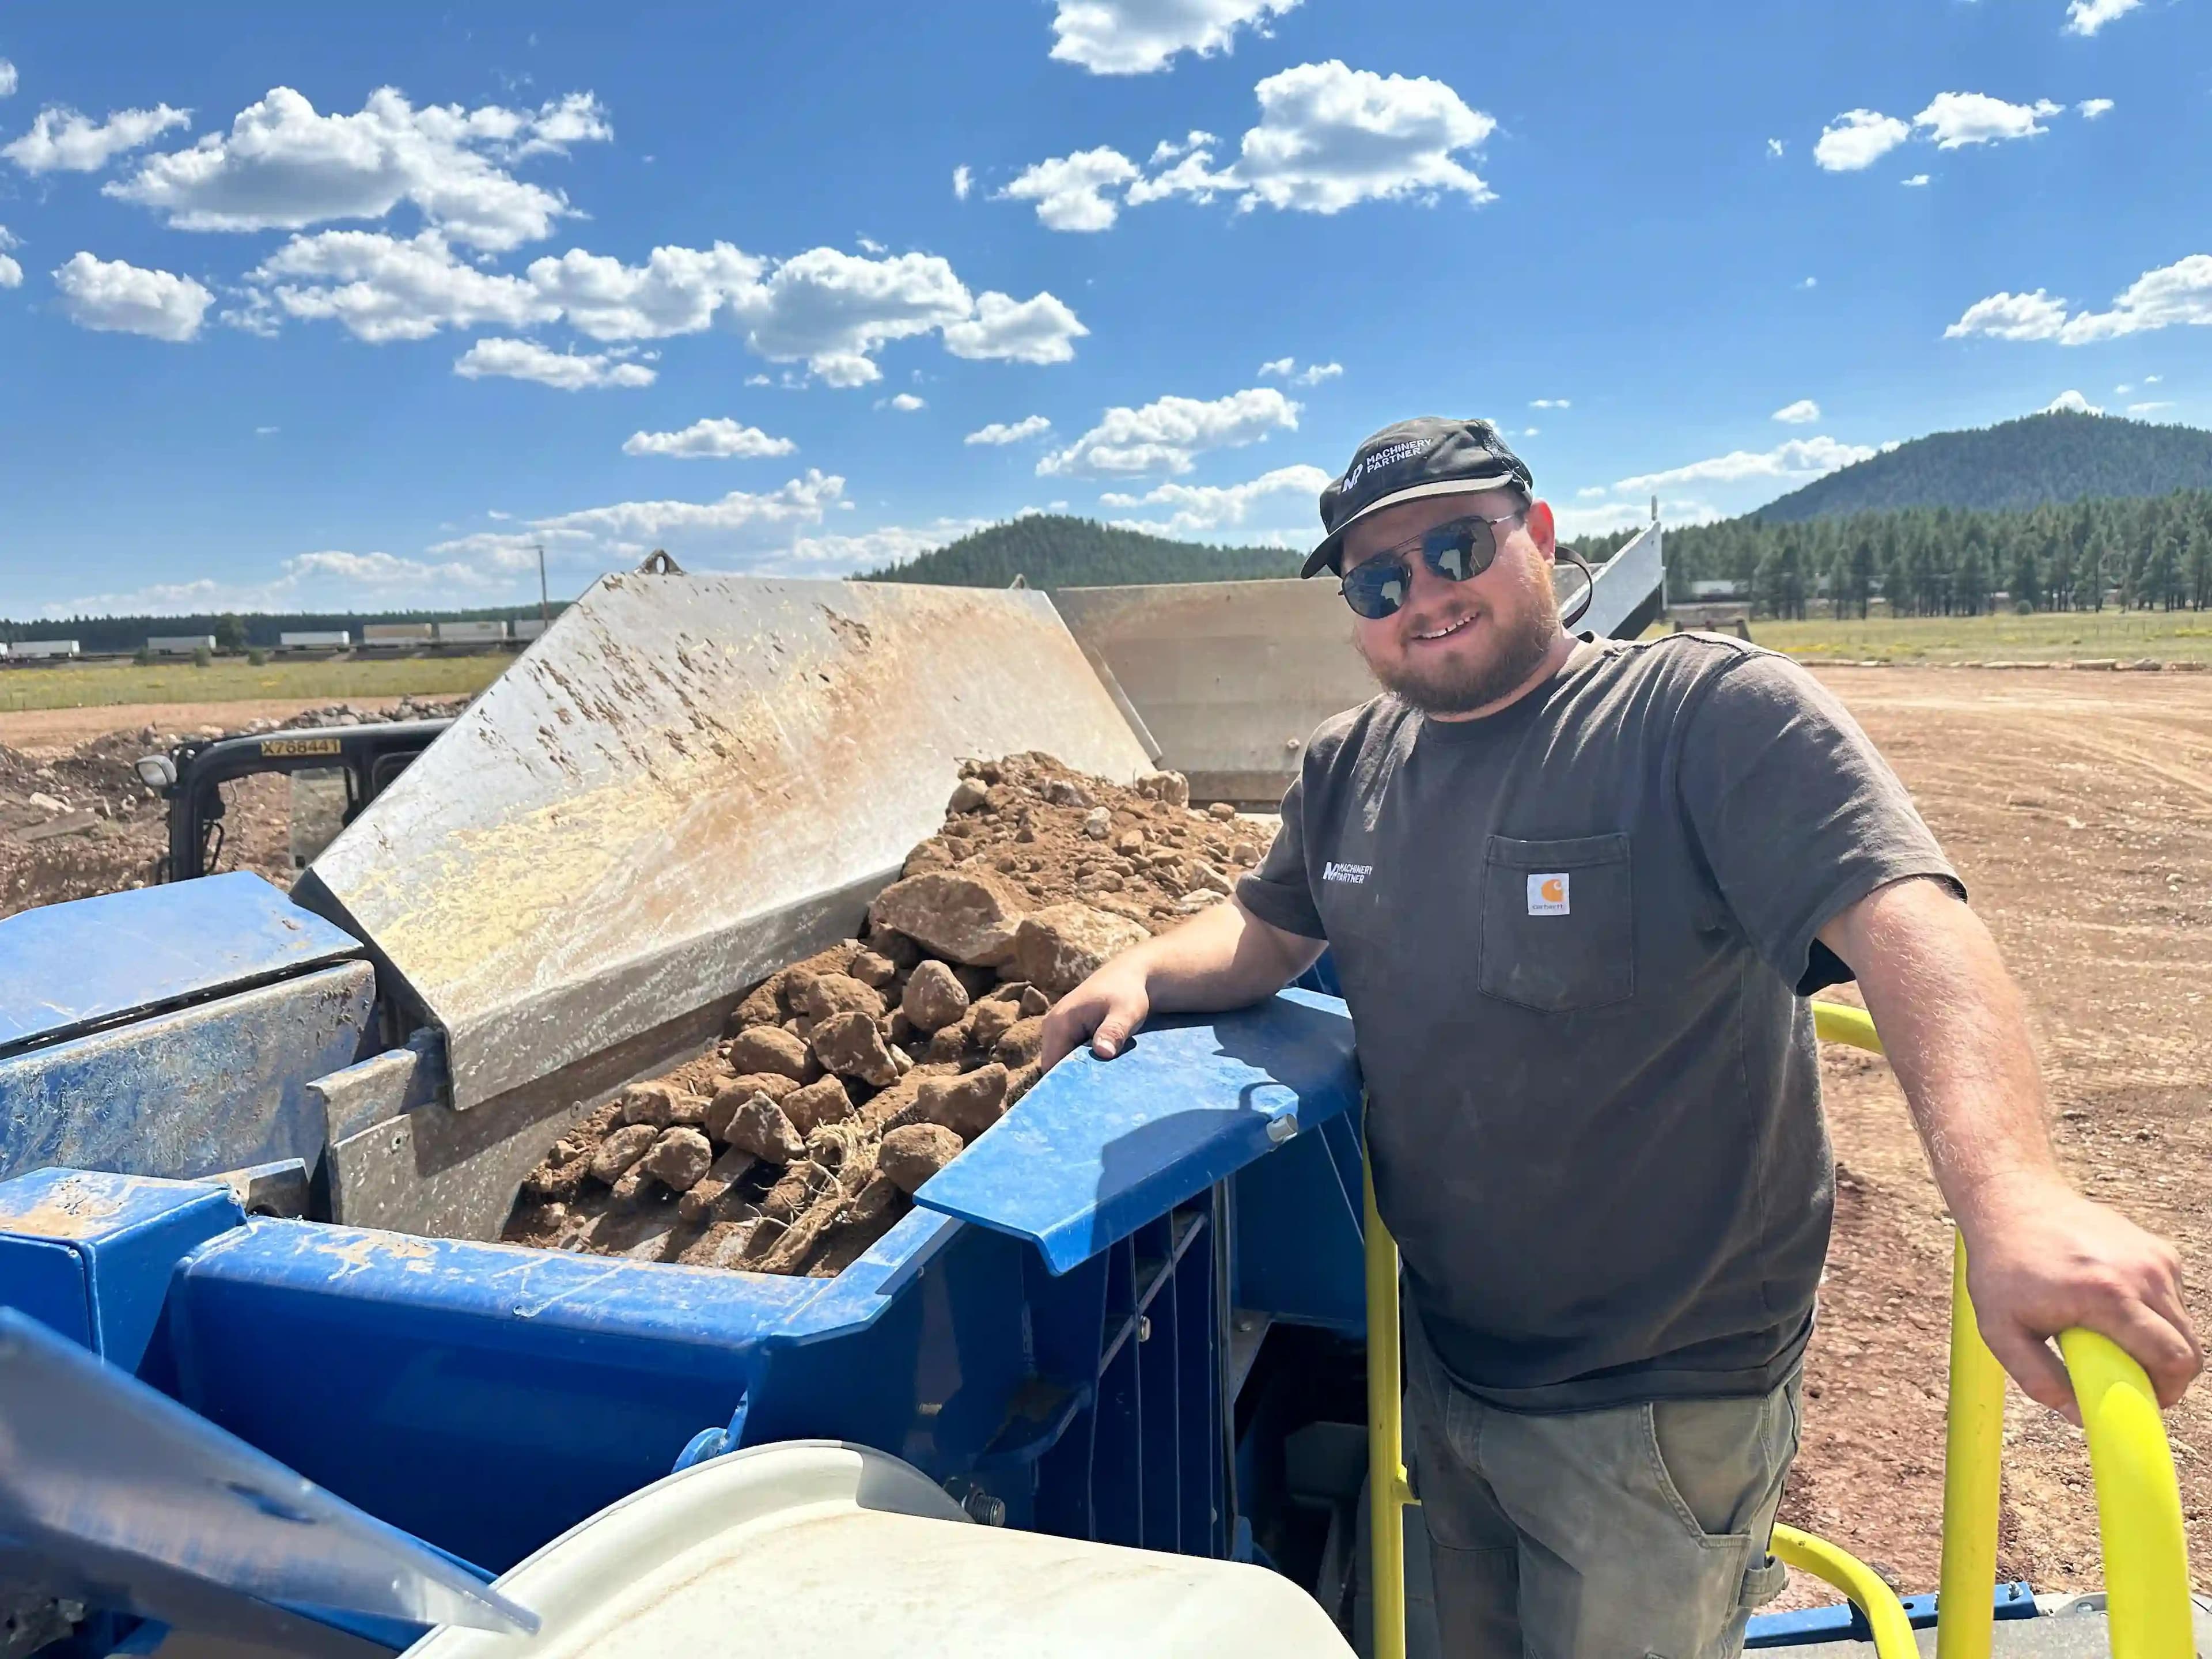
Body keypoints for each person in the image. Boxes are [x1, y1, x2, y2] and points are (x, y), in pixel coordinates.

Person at [1038, 416, 2200, 1658]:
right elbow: (1268, 937)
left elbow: (1906, 919)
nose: (1423, 595)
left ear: (1538, 538)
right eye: (1380, 581)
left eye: (1455, 546)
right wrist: (1149, 969)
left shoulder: (1699, 715)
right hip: (1450, 1367)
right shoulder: (1348, 765)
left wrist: (2012, 1196)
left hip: (1658, 1409)